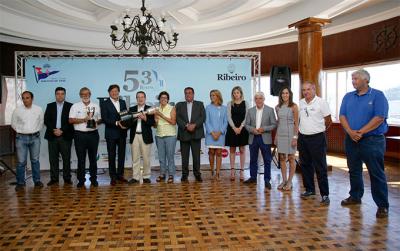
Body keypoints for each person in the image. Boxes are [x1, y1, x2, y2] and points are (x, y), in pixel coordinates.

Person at [339, 69, 389, 218]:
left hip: (372, 140)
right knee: (354, 170)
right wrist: (350, 132)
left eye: (356, 79)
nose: (353, 81)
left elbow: (380, 117)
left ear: (366, 80)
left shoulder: (378, 96)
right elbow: (342, 115)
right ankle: (355, 196)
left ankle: (382, 205)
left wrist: (360, 132)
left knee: (376, 173)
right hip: (351, 139)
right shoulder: (348, 97)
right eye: (352, 79)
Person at [298, 82, 332, 205]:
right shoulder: (301, 102)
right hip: (303, 138)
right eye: (303, 90)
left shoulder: (321, 102)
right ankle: (309, 190)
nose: (306, 92)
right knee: (305, 165)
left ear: (314, 89)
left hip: (317, 138)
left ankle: (325, 195)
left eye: (308, 89)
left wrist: (319, 130)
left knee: (320, 167)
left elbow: (328, 120)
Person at [69, 87, 101, 188]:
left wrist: (96, 122)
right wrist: (84, 119)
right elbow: (70, 120)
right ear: (80, 95)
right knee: (81, 159)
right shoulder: (75, 106)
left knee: (93, 159)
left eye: (87, 94)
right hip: (80, 135)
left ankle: (94, 179)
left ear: (90, 94)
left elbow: (100, 119)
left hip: (93, 135)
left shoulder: (95, 105)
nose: (85, 96)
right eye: (83, 94)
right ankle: (81, 180)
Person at [11, 91, 44, 191]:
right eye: (23, 98)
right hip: (21, 138)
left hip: (35, 138)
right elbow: (13, 123)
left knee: (35, 160)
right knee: (21, 162)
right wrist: (21, 131)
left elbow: (41, 123)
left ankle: (37, 181)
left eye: (27, 98)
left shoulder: (39, 109)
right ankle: (20, 182)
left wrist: (33, 131)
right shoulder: (17, 110)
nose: (25, 100)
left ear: (32, 98)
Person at [244, 92, 277, 189]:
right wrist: (252, 130)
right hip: (253, 137)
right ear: (255, 100)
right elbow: (246, 125)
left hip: (265, 137)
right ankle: (253, 177)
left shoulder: (270, 110)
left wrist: (264, 128)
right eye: (256, 98)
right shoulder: (250, 111)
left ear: (263, 99)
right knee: (253, 159)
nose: (258, 100)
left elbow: (274, 124)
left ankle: (267, 180)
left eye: (260, 98)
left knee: (267, 160)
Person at [44, 87, 74, 186]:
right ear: (55, 95)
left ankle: (67, 178)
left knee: (66, 158)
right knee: (53, 159)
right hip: (52, 135)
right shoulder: (50, 106)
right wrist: (54, 130)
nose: (60, 95)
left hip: (65, 135)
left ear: (65, 95)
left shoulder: (71, 106)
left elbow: (71, 121)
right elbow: (46, 120)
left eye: (62, 93)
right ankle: (54, 178)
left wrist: (61, 130)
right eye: (58, 93)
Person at [175, 87, 206, 182]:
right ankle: (185, 175)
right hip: (184, 133)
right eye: (186, 93)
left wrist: (194, 125)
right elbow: (177, 118)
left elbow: (203, 117)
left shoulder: (200, 104)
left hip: (196, 133)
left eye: (190, 93)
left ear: (193, 94)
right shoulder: (179, 105)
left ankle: (197, 174)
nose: (188, 94)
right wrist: (186, 125)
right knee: (184, 156)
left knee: (196, 156)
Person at [101, 84, 128, 186]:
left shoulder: (122, 102)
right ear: (109, 93)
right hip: (111, 133)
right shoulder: (105, 103)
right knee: (111, 156)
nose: (114, 93)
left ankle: (120, 175)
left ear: (118, 92)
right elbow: (104, 118)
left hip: (122, 133)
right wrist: (117, 123)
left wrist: (126, 124)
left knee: (121, 155)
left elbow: (125, 116)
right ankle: (112, 177)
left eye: (116, 91)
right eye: (112, 91)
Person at [127, 91, 155, 184]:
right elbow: (128, 124)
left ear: (145, 98)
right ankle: (135, 177)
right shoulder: (132, 109)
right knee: (135, 158)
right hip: (134, 136)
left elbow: (153, 123)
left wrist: (145, 118)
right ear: (136, 99)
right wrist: (135, 118)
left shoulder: (150, 109)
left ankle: (146, 176)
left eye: (142, 97)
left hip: (145, 136)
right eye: (138, 97)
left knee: (146, 158)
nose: (140, 99)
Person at [275, 87, 299, 191]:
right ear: (280, 95)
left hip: (290, 135)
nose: (285, 95)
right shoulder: (277, 107)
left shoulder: (294, 106)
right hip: (281, 134)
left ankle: (290, 181)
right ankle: (284, 180)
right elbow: (278, 122)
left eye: (287, 93)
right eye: (283, 93)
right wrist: (276, 136)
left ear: (290, 94)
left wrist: (295, 137)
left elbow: (297, 123)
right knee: (282, 158)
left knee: (291, 158)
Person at [225, 86, 249, 181]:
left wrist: (241, 127)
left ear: (241, 94)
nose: (236, 94)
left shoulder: (245, 103)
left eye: (237, 92)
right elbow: (229, 117)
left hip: (242, 129)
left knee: (242, 149)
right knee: (232, 150)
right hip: (232, 129)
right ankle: (232, 170)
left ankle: (242, 170)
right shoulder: (229, 104)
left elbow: (247, 116)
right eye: (234, 93)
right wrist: (234, 128)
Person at [154, 91, 177, 183]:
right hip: (159, 135)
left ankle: (171, 174)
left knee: (170, 156)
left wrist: (161, 115)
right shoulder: (156, 109)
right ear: (159, 99)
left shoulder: (172, 108)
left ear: (168, 99)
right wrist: (155, 121)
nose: (163, 99)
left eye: (165, 98)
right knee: (161, 157)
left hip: (170, 135)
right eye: (161, 98)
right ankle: (162, 174)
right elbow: (155, 126)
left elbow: (173, 122)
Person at [205, 89, 227, 180]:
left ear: (218, 96)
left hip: (220, 134)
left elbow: (226, 122)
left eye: (214, 95)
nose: (212, 97)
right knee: (211, 152)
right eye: (211, 95)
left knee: (218, 153)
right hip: (211, 134)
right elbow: (206, 121)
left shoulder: (224, 108)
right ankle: (212, 170)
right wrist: (212, 133)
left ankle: (218, 173)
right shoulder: (208, 107)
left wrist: (220, 132)